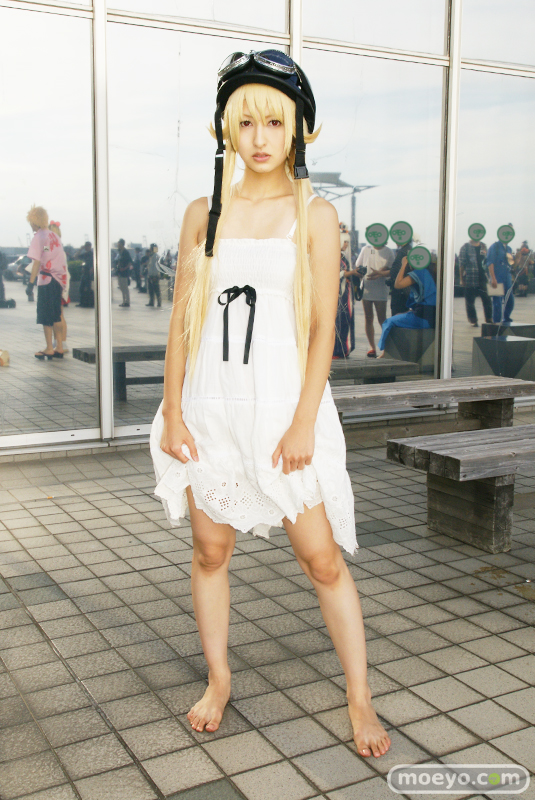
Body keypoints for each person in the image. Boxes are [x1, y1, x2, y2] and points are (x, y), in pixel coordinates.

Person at [150, 49, 390, 759]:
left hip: (284, 409)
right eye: (247, 122)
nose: (260, 137)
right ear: (227, 128)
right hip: (210, 405)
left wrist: (303, 421)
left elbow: (321, 331)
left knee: (321, 560)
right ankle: (219, 679)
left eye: (275, 122)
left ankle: (359, 695)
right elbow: (182, 321)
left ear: (298, 129)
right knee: (209, 550)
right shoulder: (203, 213)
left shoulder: (315, 216)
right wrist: (172, 410)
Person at [25, 205, 67, 359]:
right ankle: (59, 346)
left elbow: (37, 261)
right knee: (56, 314)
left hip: (46, 279)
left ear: (34, 221)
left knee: (45, 316)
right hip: (58, 280)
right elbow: (52, 254)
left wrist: (30, 284)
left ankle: (49, 347)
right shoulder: (54, 236)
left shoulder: (39, 237)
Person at [378, 255, 436, 354]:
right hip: (432, 317)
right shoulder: (431, 274)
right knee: (399, 315)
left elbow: (398, 284)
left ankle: (384, 352)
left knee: (389, 322)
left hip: (422, 318)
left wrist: (403, 265)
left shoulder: (419, 273)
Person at [355, 241, 394, 357]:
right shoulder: (365, 249)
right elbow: (358, 265)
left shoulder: (388, 251)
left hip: (381, 289)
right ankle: (372, 347)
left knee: (382, 319)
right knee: (368, 318)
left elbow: (392, 271)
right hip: (367, 287)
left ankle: (386, 348)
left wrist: (380, 272)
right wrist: (361, 272)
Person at [459, 237, 492, 327]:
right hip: (470, 277)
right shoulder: (465, 247)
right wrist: (461, 279)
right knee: (470, 301)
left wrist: (491, 277)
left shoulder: (483, 246)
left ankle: (489, 318)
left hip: (483, 278)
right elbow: (461, 264)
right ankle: (473, 320)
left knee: (487, 300)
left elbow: (487, 262)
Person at [333, 228, 355, 358]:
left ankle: (342, 349)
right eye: (345, 241)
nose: (346, 244)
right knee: (338, 322)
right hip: (337, 295)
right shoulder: (333, 255)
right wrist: (351, 273)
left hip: (344, 294)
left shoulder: (342, 257)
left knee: (344, 321)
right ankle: (336, 350)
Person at [487, 238, 514, 323]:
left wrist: (517, 259)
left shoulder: (509, 249)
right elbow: (490, 262)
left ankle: (506, 319)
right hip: (497, 277)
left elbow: (511, 264)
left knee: (510, 300)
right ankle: (497, 322)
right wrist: (493, 278)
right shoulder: (494, 247)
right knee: (497, 302)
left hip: (507, 278)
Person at [389, 239, 412, 316]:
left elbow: (395, 271)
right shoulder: (408, 249)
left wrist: (380, 273)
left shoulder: (403, 251)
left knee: (397, 316)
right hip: (405, 292)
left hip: (400, 292)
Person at [75, 241, 94, 308]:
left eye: (87, 246)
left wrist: (92, 269)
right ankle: (82, 302)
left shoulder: (92, 254)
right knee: (82, 288)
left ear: (90, 246)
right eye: (86, 246)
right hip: (85, 272)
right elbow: (76, 257)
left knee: (87, 288)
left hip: (89, 273)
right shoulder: (85, 254)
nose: (86, 247)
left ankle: (88, 303)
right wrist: (80, 249)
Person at [114, 238, 132, 306]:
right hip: (119, 272)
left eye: (119, 244)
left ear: (122, 244)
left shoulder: (126, 252)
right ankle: (124, 301)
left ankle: (127, 302)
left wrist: (124, 268)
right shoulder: (119, 252)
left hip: (124, 272)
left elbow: (130, 262)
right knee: (121, 287)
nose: (118, 245)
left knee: (125, 287)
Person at [146, 243, 162, 308]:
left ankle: (159, 302)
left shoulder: (155, 256)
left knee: (156, 290)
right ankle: (151, 302)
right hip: (150, 275)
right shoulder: (152, 256)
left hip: (154, 276)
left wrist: (155, 275)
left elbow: (156, 267)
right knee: (151, 290)